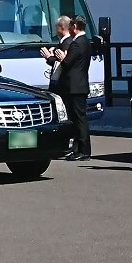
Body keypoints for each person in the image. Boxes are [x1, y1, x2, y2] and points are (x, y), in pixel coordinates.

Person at [55, 15, 91, 161]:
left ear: (74, 27)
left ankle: (84, 150)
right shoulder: (85, 41)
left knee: (79, 120)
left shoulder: (77, 44)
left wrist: (60, 57)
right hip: (80, 85)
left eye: (70, 26)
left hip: (75, 87)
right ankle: (76, 149)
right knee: (77, 119)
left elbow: (67, 63)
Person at [40, 15, 72, 95]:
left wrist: (48, 57)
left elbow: (61, 64)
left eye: (56, 27)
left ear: (62, 28)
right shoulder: (64, 41)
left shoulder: (67, 43)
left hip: (62, 85)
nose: (55, 29)